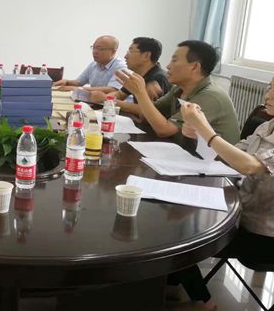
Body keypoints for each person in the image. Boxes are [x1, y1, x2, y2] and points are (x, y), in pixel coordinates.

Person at [166, 85, 274, 311]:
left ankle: (202, 301)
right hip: (241, 215)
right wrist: (198, 133)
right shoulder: (266, 126)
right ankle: (174, 286)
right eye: (270, 87)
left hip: (264, 237)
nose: (268, 95)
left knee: (179, 241)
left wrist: (207, 131)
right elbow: (232, 156)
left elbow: (248, 166)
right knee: (174, 222)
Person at [117, 40, 240, 145]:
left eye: (174, 61)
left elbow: (164, 130)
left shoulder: (210, 96)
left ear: (194, 67)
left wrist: (141, 93)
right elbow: (147, 115)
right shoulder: (179, 89)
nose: (168, 66)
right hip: (186, 152)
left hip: (216, 163)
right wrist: (144, 97)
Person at [88, 37, 170, 112]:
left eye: (130, 52)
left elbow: (146, 110)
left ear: (146, 56)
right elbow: (120, 94)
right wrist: (104, 97)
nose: (125, 56)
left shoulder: (158, 79)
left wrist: (106, 100)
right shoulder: (137, 74)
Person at [53, 35, 127, 93]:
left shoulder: (121, 67)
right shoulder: (93, 64)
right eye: (94, 48)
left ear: (113, 51)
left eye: (100, 49)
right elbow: (78, 82)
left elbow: (113, 89)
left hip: (114, 105)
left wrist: (78, 89)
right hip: (96, 102)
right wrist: (67, 81)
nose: (95, 51)